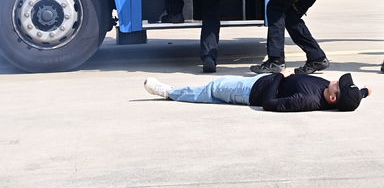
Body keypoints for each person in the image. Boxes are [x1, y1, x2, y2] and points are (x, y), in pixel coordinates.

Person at [143, 71, 370, 112]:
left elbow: (270, 103)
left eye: (338, 86)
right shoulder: (333, 95)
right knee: (212, 92)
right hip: (258, 81)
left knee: (212, 89)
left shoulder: (305, 100)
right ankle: (174, 92)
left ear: (332, 98)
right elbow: (353, 96)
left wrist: (280, 76)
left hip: (250, 91)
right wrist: (364, 92)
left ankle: (169, 92)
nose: (334, 81)